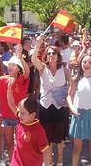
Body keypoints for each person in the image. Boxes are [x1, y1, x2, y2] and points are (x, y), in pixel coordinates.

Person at [31, 36, 69, 166]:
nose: (51, 55)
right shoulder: (42, 68)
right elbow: (33, 59)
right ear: (46, 56)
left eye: (54, 53)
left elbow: (72, 87)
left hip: (59, 107)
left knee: (59, 139)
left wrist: (68, 100)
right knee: (46, 138)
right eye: (49, 53)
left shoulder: (64, 70)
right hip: (45, 107)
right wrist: (38, 43)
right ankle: (49, 162)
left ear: (58, 56)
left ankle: (60, 161)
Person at [67, 54, 91, 166]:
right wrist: (72, 108)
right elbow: (69, 96)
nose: (87, 64)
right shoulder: (75, 79)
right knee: (76, 148)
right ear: (81, 64)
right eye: (84, 62)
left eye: (90, 62)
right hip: (79, 115)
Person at [7, 78, 49, 166]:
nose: (19, 115)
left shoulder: (38, 130)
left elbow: (45, 150)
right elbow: (11, 104)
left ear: (32, 115)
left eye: (22, 113)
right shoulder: (22, 119)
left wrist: (47, 164)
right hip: (17, 161)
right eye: (19, 112)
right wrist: (9, 88)